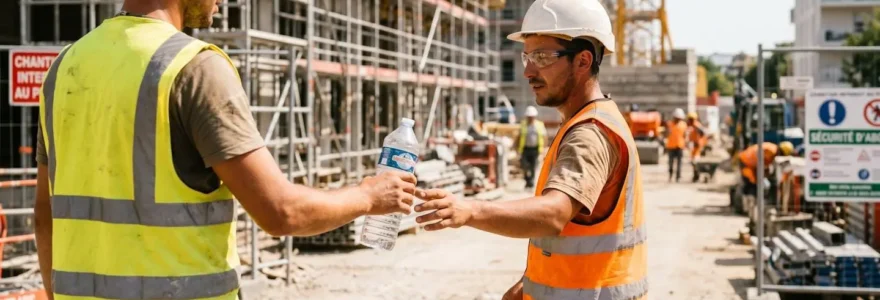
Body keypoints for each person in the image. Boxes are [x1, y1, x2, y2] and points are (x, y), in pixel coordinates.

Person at [33, 1, 417, 299]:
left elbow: (44, 215)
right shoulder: (193, 67)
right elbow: (281, 212)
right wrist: (368, 196)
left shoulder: (64, 67)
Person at [413, 1, 647, 299]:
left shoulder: (590, 133)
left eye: (542, 57)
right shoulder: (593, 119)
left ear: (583, 61)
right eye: (527, 56)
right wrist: (531, 280)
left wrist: (471, 210)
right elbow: (579, 235)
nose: (528, 71)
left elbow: (554, 214)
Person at [517, 106, 546, 188]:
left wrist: (543, 148)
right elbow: (519, 137)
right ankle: (527, 179)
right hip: (525, 149)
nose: (530, 118)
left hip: (535, 149)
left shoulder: (539, 125)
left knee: (533, 166)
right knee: (524, 166)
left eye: (532, 117)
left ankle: (531, 182)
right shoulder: (523, 125)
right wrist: (517, 148)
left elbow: (544, 137)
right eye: (529, 117)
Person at [666, 108, 687, 182]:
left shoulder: (683, 125)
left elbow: (685, 135)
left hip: (680, 146)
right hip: (671, 146)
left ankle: (678, 177)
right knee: (670, 162)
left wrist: (686, 143)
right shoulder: (669, 124)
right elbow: (666, 133)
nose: (678, 119)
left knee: (679, 163)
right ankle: (670, 175)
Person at [686, 111, 707, 182]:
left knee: (695, 161)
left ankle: (697, 175)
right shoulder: (693, 126)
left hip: (697, 146)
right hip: (695, 146)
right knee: (693, 161)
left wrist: (698, 142)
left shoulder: (696, 125)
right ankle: (696, 175)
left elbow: (702, 133)